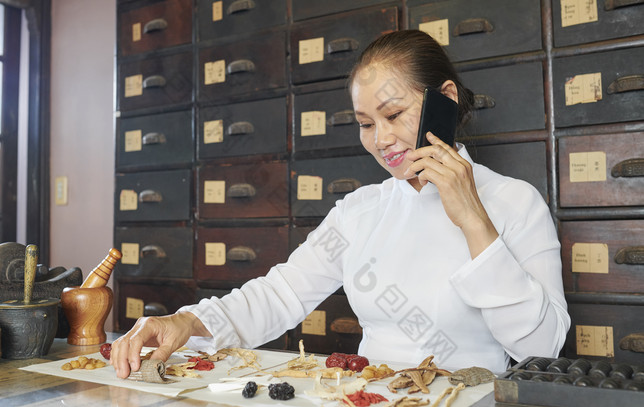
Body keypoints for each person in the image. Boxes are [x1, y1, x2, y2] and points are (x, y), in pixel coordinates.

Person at [111, 30, 570, 378]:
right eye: (365, 124)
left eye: (393, 115)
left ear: (444, 100)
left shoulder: (515, 202)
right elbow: (281, 293)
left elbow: (543, 346)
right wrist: (187, 321)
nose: (381, 140)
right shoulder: (360, 210)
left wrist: (473, 220)